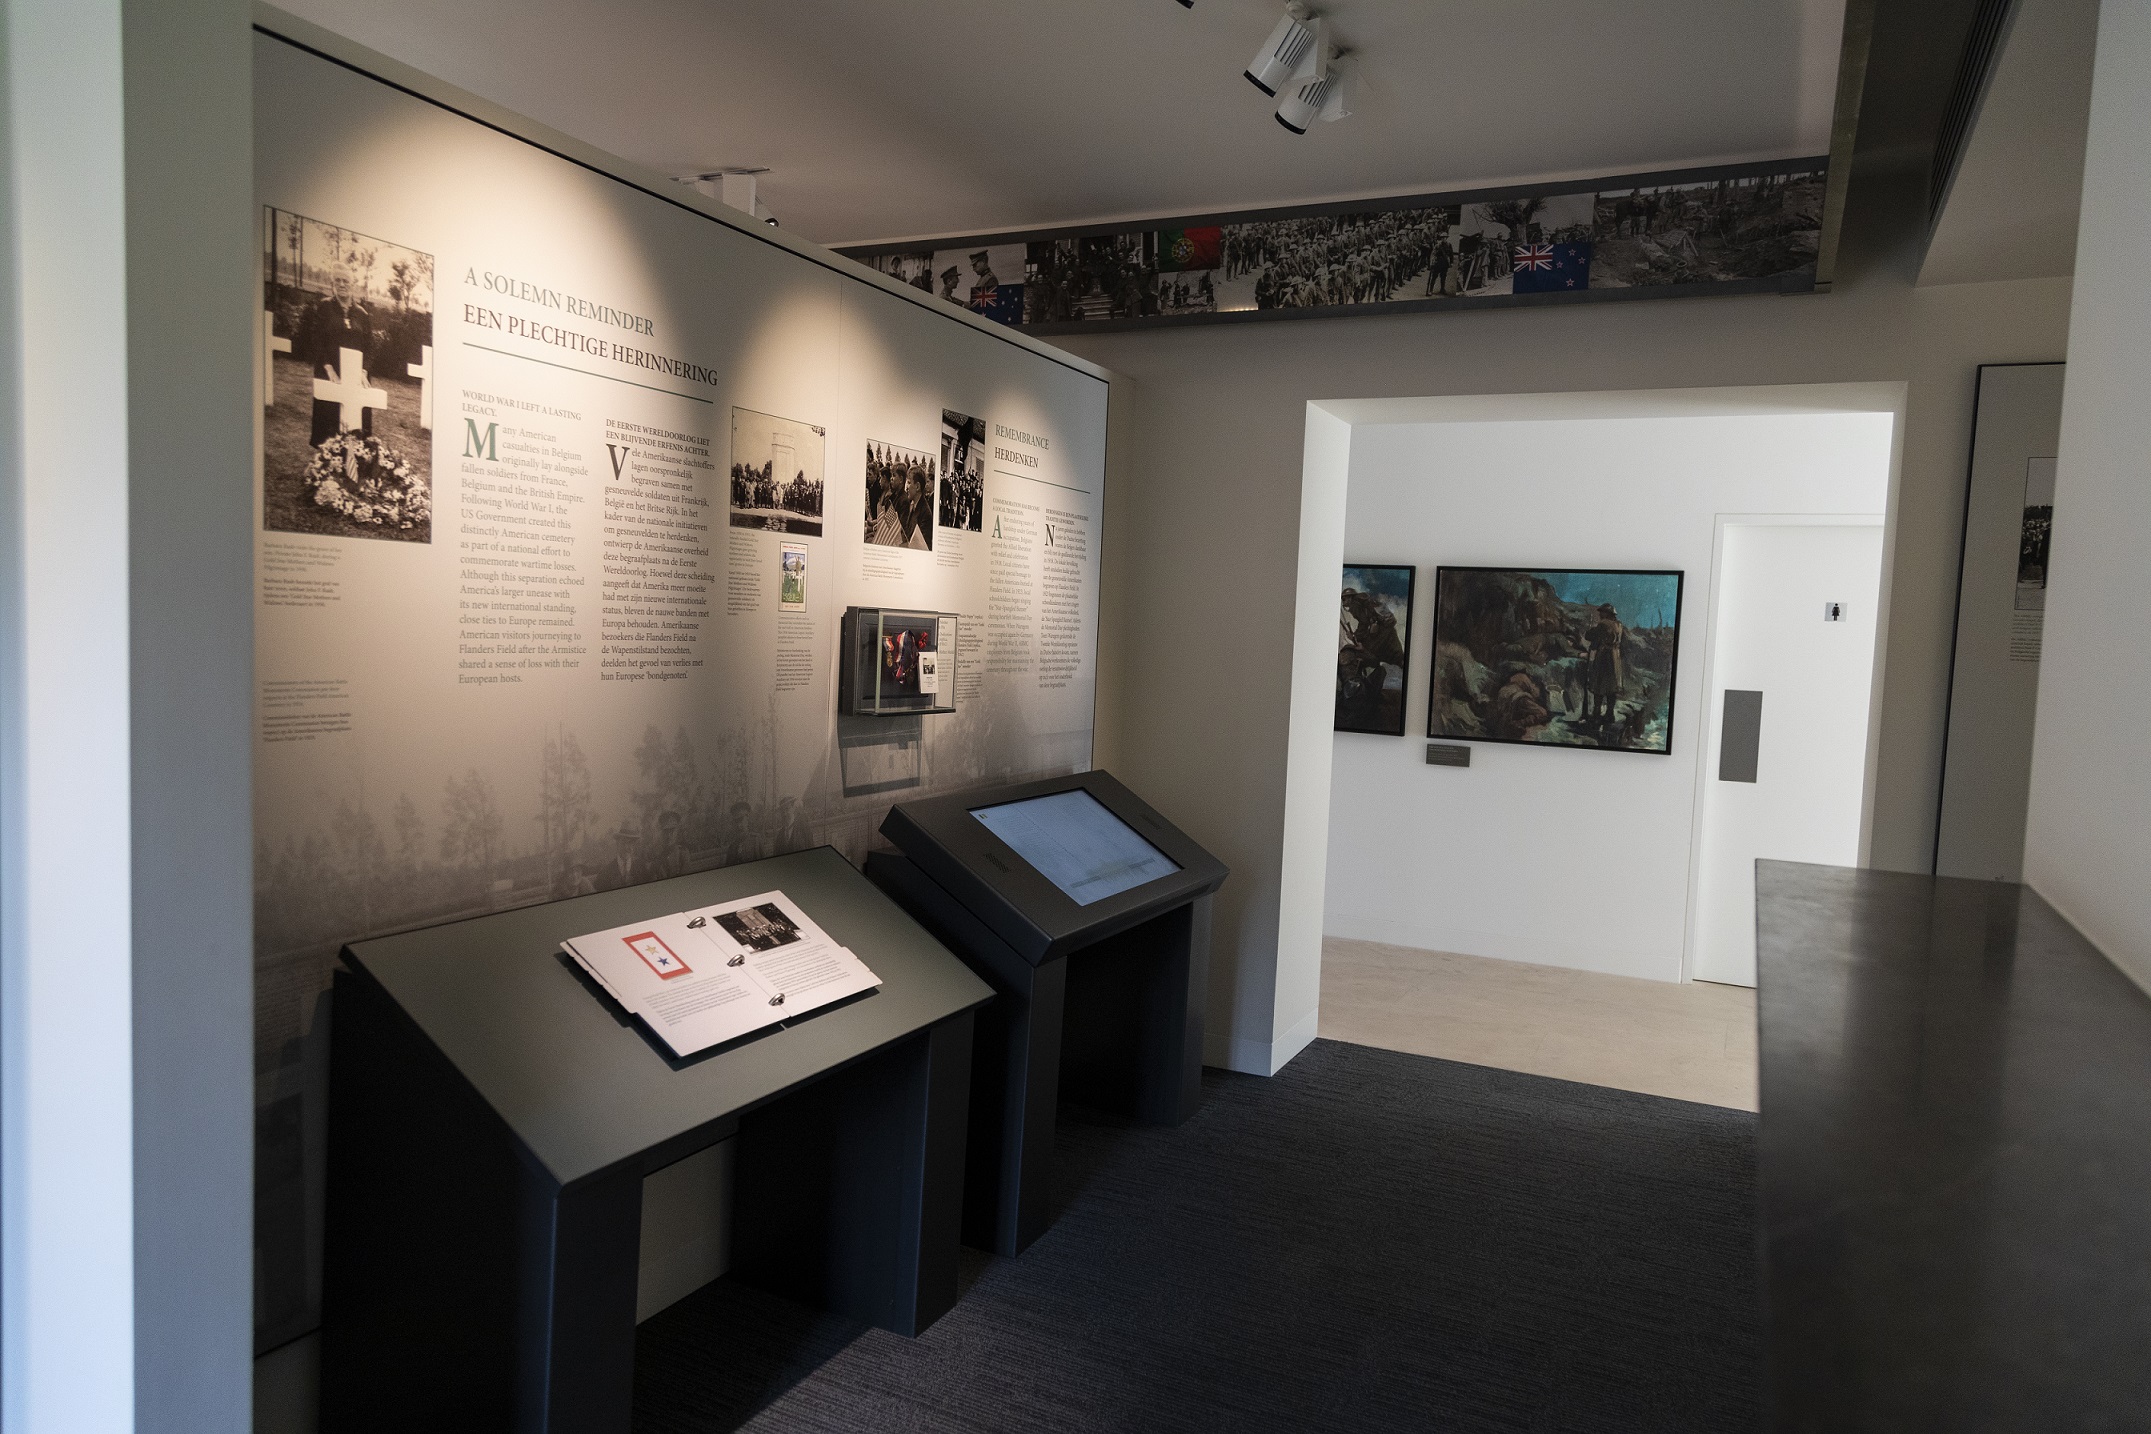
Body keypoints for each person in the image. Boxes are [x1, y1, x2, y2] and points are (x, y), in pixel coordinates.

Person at [294, 265, 375, 445]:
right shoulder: (324, 307)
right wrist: (328, 367)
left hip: (357, 375)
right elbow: (316, 340)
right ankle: (328, 463)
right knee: (328, 419)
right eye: (337, 280)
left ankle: (356, 456)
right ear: (332, 284)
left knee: (356, 420)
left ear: (353, 285)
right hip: (330, 371)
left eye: (345, 280)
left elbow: (370, 347)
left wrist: (363, 371)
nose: (341, 284)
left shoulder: (362, 314)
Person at [1582, 603, 1627, 723]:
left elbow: (1590, 636)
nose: (1600, 614)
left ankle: (1596, 714)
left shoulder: (1603, 624)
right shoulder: (1619, 625)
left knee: (1599, 685)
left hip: (1604, 657)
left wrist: (1592, 630)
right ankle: (1610, 714)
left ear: (1607, 613)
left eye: (1602, 612)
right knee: (1612, 687)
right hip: (1615, 657)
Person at [596, 818, 644, 891]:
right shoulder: (605, 873)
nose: (626, 847)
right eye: (623, 842)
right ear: (617, 843)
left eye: (630, 843)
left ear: (634, 845)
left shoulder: (641, 868)